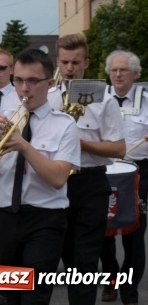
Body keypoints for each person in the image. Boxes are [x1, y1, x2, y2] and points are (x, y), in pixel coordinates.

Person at [0, 49, 80, 305]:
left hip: (45, 218)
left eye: (32, 81)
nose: (23, 88)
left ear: (49, 84)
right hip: (5, 215)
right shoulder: (3, 119)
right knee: (6, 297)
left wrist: (24, 146)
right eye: (18, 80)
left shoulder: (64, 125)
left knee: (34, 296)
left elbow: (58, 178)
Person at [48, 33, 125, 305]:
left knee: (86, 260)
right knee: (67, 258)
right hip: (57, 183)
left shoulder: (105, 101)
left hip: (90, 183)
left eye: (76, 62)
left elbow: (118, 149)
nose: (70, 68)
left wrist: (80, 143)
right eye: (65, 62)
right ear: (58, 61)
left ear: (86, 63)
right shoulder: (48, 99)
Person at [99, 50, 147, 304]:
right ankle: (111, 279)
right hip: (105, 170)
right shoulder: (98, 99)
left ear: (136, 74)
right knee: (103, 235)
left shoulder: (147, 100)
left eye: (124, 70)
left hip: (139, 173)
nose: (118, 74)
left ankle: (130, 291)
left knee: (134, 238)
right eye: (114, 70)